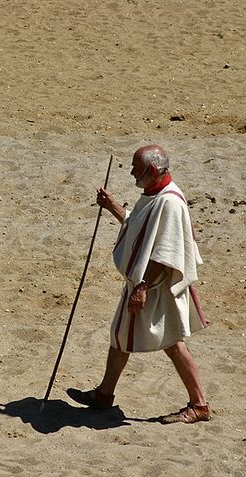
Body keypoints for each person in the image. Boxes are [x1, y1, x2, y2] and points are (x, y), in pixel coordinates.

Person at [68, 145, 211, 424]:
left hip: (156, 287)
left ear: (153, 170)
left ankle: (199, 404)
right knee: (121, 336)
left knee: (172, 343)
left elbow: (166, 253)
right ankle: (104, 395)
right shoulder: (153, 195)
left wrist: (142, 287)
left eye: (137, 169)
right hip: (145, 285)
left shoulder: (170, 202)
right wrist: (113, 207)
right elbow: (139, 230)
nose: (132, 173)